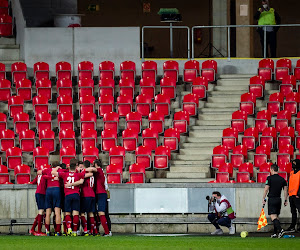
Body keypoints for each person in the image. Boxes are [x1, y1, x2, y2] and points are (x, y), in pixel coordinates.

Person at [52, 158, 93, 236]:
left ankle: (69, 228)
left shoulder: (65, 174)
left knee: (67, 213)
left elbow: (53, 172)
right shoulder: (78, 174)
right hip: (76, 195)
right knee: (76, 213)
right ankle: (74, 231)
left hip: (67, 195)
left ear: (69, 167)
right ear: (76, 167)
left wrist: (57, 167)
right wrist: (81, 171)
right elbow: (90, 174)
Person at [262, 164, 288, 238]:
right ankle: (275, 233)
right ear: (278, 170)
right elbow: (285, 191)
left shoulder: (269, 178)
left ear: (272, 170)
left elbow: (266, 189)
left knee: (272, 216)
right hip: (278, 199)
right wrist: (286, 200)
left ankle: (280, 230)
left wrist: (263, 198)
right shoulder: (282, 179)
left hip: (272, 199)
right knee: (276, 216)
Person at [29, 166, 47, 236]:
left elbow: (33, 182)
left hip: (39, 194)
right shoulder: (45, 176)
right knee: (41, 211)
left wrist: (28, 183)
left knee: (42, 212)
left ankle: (33, 229)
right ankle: (39, 231)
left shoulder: (39, 176)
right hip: (41, 194)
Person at [286, 159, 300, 233]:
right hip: (291, 195)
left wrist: (298, 194)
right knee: (293, 212)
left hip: (297, 196)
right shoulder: (291, 173)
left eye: (295, 163)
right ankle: (292, 226)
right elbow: (289, 184)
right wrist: (288, 193)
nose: (293, 164)